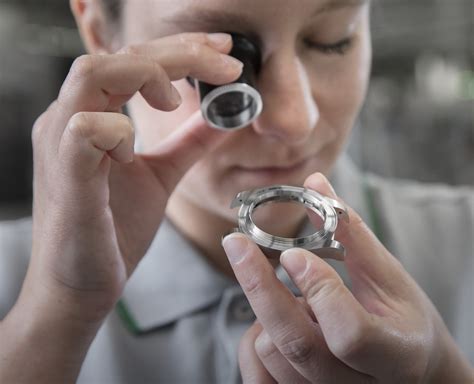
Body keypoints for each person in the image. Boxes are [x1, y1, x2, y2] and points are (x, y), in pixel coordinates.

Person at [0, 0, 472, 382]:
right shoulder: (12, 281)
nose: (295, 121)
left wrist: (445, 375)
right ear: (102, 29)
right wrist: (57, 313)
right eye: (227, 65)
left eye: (331, 41)